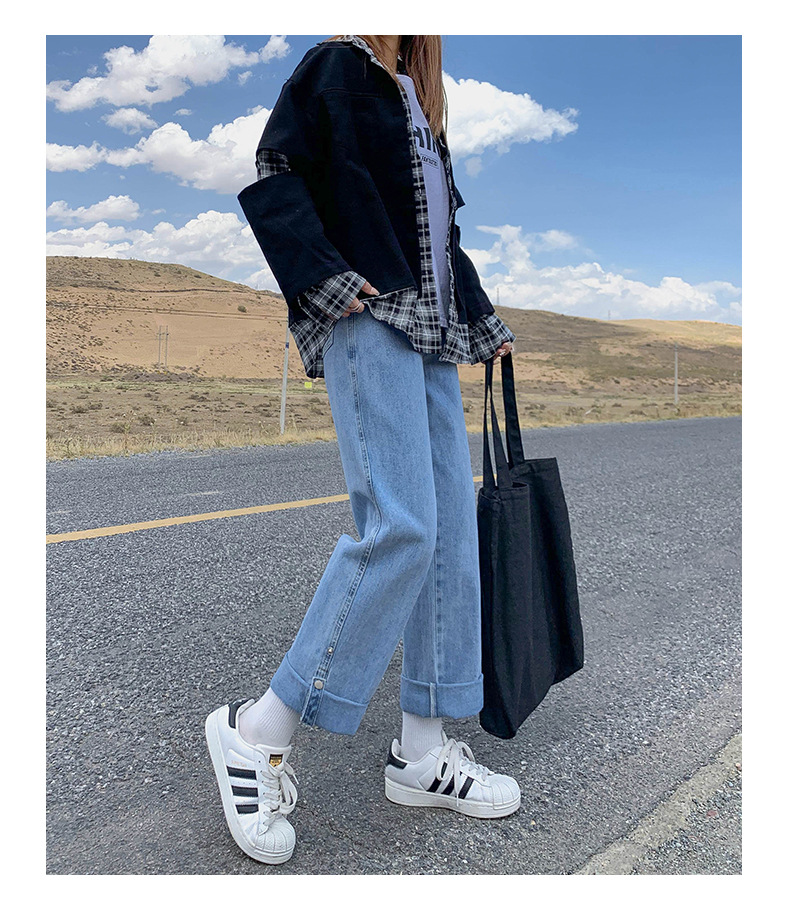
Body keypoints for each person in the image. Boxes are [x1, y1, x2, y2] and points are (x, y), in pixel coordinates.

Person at [205, 34, 518, 866]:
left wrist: (481, 317)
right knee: (400, 527)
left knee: (448, 536)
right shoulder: (336, 66)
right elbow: (277, 170)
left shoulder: (419, 102)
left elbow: (440, 237)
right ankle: (256, 731)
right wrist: (325, 280)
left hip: (433, 334)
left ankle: (423, 750)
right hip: (370, 317)